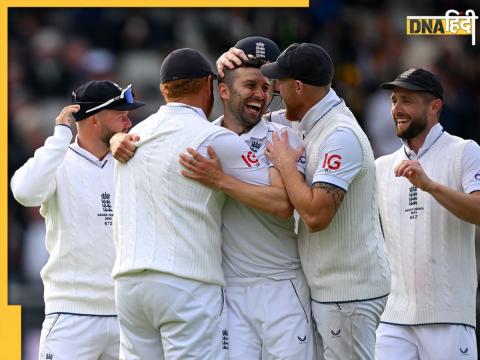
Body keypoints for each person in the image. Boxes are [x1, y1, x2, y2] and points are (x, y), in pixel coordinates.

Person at [112, 48, 291, 360]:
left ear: (164, 89)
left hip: (128, 286)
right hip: (186, 285)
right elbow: (280, 202)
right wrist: (281, 161)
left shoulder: (130, 138)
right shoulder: (214, 139)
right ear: (210, 86)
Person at [177, 37, 317, 359]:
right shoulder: (204, 134)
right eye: (251, 85)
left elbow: (282, 205)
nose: (261, 95)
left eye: (267, 88)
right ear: (223, 90)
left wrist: (221, 180)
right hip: (231, 290)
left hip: (282, 285)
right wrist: (119, 141)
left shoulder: (282, 137)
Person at [260, 43, 391, 360]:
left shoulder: (339, 135)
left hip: (348, 294)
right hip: (333, 291)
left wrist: (286, 164)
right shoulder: (304, 118)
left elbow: (317, 216)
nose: (275, 88)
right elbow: (246, 122)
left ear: (299, 87)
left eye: (280, 81)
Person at [10, 80, 145, 360]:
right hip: (71, 314)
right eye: (120, 112)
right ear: (94, 119)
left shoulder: (132, 161)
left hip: (126, 313)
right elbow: (24, 192)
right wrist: (59, 137)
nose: (128, 120)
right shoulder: (58, 160)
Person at [374, 68, 480, 359]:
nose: (397, 109)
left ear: (435, 106)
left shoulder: (465, 151)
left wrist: (430, 186)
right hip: (393, 317)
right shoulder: (381, 166)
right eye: (394, 100)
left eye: (406, 101)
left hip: (449, 317)